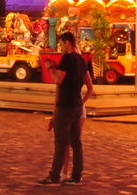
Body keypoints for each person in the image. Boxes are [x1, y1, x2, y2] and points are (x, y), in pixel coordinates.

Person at [39, 30, 93, 186]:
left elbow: (58, 79)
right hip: (77, 105)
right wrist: (81, 102)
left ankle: (54, 175)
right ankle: (77, 175)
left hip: (65, 106)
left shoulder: (67, 58)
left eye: (61, 44)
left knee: (60, 143)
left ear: (67, 42)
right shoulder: (82, 60)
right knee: (76, 142)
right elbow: (90, 86)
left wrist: (50, 67)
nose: (61, 47)